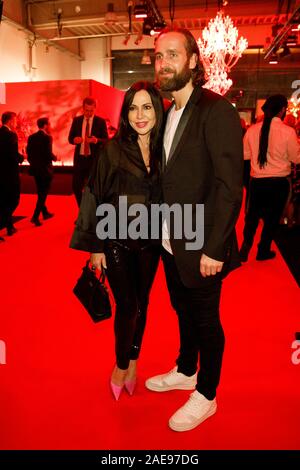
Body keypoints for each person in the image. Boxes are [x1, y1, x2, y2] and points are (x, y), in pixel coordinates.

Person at [144, 28, 244, 432]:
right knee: (182, 309)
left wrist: (215, 248)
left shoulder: (215, 109)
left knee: (206, 319)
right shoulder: (169, 112)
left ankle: (206, 393)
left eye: (171, 54)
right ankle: (186, 368)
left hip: (203, 244)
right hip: (171, 240)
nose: (162, 62)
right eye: (157, 55)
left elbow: (228, 185)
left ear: (191, 62)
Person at [70, 81, 164, 400]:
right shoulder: (113, 149)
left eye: (147, 107)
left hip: (152, 242)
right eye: (133, 108)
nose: (140, 115)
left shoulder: (167, 148)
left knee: (144, 303)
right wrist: (95, 246)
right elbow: (94, 194)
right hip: (115, 239)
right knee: (127, 305)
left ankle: (134, 361)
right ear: (125, 113)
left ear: (157, 110)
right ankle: (121, 365)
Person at [239, 95, 300, 262]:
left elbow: (245, 155)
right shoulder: (288, 132)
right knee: (272, 218)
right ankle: (263, 250)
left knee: (252, 216)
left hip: (257, 182)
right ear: (282, 110)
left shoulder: (252, 130)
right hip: (279, 182)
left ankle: (245, 246)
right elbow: (296, 158)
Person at [68, 97, 108, 207]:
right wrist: (74, 140)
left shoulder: (100, 122)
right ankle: (82, 212)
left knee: (94, 189)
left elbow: (106, 140)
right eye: (86, 110)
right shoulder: (77, 120)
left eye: (91, 110)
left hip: (94, 160)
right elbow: (70, 138)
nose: (89, 113)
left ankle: (93, 213)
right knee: (76, 187)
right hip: (80, 159)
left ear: (95, 108)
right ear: (83, 108)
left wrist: (96, 140)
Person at [26, 117, 57, 226]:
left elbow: (28, 152)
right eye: (49, 124)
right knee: (43, 194)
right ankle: (35, 217)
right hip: (45, 170)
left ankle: (45, 213)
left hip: (35, 169)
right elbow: (48, 153)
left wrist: (33, 163)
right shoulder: (48, 138)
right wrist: (56, 158)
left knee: (40, 192)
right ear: (45, 125)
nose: (50, 126)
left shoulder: (31, 137)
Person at [0, 111, 24, 237]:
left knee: (3, 200)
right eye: (15, 121)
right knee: (14, 200)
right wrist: (22, 157)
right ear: (9, 121)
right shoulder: (11, 135)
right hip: (10, 174)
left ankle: (9, 227)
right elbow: (13, 155)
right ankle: (3, 223)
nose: (16, 123)